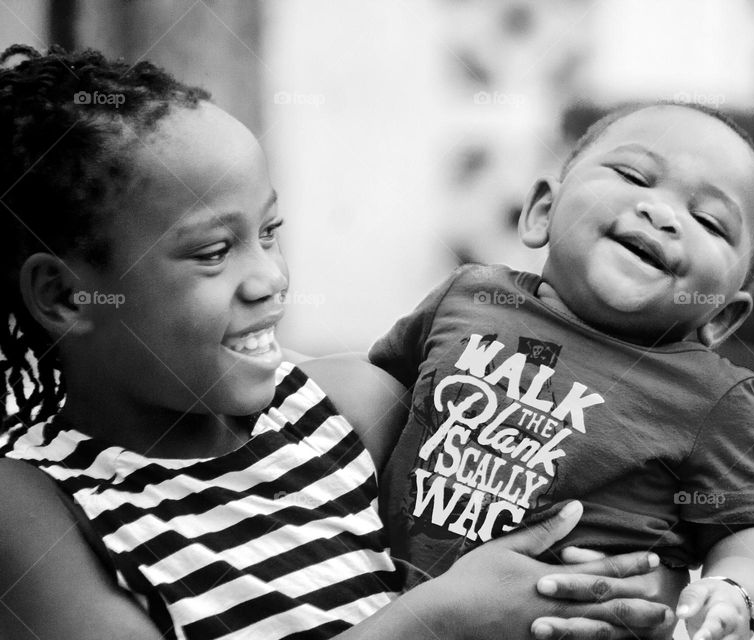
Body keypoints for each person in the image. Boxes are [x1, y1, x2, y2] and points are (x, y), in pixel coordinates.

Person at [0, 45, 680, 640]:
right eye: (213, 252)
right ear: (66, 297)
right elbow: (455, 610)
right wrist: (434, 623)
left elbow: (577, 503)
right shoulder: (34, 507)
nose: (268, 278)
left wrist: (622, 583)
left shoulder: (338, 413)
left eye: (269, 232)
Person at [369, 102, 754, 640]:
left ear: (723, 315)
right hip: (387, 606)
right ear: (543, 211)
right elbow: (374, 404)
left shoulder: (712, 396)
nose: (662, 215)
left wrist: (736, 589)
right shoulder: (467, 297)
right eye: (633, 176)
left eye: (709, 221)